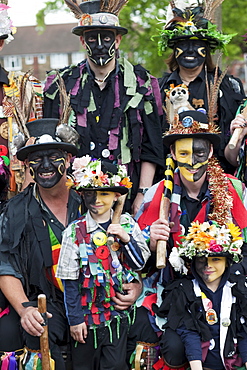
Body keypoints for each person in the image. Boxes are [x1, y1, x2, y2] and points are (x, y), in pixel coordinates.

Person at [129, 109, 247, 369]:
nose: (192, 162)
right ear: (172, 154)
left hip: (226, 287)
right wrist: (150, 242)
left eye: (200, 153)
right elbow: (136, 264)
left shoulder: (234, 190)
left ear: (211, 154)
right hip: (176, 291)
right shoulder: (155, 196)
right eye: (183, 153)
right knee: (173, 349)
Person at [43, 0, 164, 215]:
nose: (99, 45)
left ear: (117, 41)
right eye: (92, 38)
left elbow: (151, 146)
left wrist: (142, 194)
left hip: (126, 194)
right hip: (75, 196)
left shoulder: (142, 83)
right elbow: (51, 147)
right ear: (82, 41)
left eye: (106, 38)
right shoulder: (61, 85)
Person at [0, 117, 82, 369]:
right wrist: (25, 310)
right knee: (14, 332)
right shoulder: (14, 211)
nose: (45, 165)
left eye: (53, 156)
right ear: (27, 166)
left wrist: (132, 288)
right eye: (36, 159)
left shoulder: (92, 201)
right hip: (42, 300)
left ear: (68, 159)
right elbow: (5, 267)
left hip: (91, 300)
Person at [56, 156, 151, 370]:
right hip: (85, 317)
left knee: (114, 364)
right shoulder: (73, 231)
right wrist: (75, 319)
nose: (97, 199)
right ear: (82, 194)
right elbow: (69, 280)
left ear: (117, 196)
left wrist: (125, 239)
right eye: (90, 193)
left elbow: (139, 265)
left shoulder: (128, 224)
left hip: (117, 317)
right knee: (83, 364)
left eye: (104, 193)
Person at [157, 0, 246, 174]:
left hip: (217, 180)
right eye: (183, 45)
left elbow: (235, 143)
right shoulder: (158, 88)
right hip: (168, 177)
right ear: (174, 50)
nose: (190, 50)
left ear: (207, 50)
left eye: (197, 45)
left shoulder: (227, 87)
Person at [154, 220, 247, 370]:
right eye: (201, 259)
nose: (208, 265)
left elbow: (244, 332)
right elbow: (189, 333)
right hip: (198, 363)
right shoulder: (184, 290)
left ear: (228, 262)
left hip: (231, 361)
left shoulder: (240, 288)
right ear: (193, 262)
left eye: (215, 259)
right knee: (174, 342)